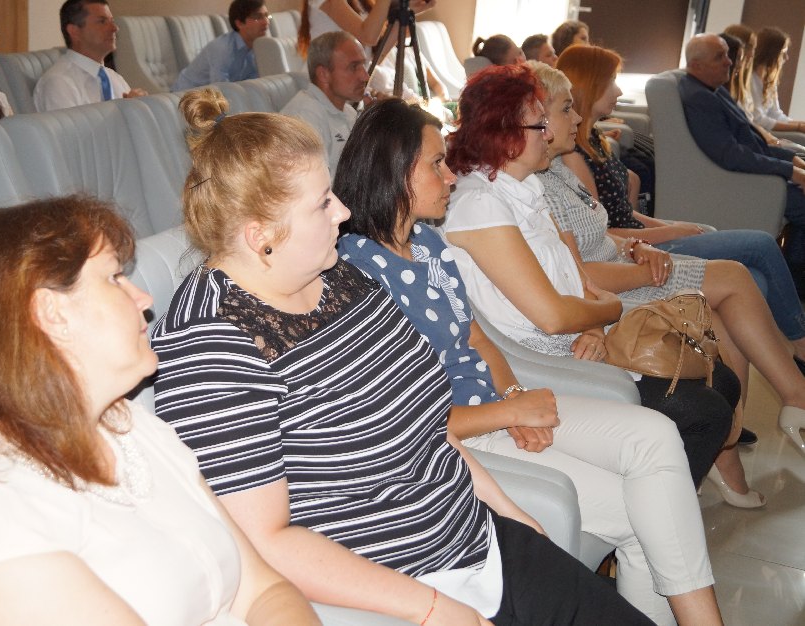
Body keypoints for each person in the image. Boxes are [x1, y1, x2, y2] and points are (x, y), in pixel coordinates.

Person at [152, 87, 653, 625]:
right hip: (398, 593)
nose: (344, 211)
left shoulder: (343, 281)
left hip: (476, 541)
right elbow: (265, 540)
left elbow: (426, 428)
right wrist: (435, 608)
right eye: (323, 203)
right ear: (261, 236)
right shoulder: (210, 345)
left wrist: (512, 516)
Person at [336, 97, 724, 624]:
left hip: (494, 408)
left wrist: (515, 396)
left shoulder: (425, 243)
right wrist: (508, 413)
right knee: (641, 517)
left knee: (655, 435)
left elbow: (476, 338)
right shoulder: (358, 275)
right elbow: (398, 420)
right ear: (395, 172)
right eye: (436, 164)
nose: (449, 177)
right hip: (454, 439)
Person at [0, 195, 320, 626]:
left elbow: (264, 590)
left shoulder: (128, 427)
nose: (143, 298)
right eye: (115, 278)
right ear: (52, 313)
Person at [531, 60, 770, 506]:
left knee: (727, 298)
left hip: (622, 267)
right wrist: (641, 263)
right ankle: (775, 406)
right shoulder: (533, 184)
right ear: (536, 117)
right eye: (567, 108)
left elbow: (600, 236)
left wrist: (640, 246)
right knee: (738, 275)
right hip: (611, 290)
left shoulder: (557, 168)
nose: (577, 116)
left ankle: (728, 446)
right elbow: (577, 274)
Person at [558, 43, 805, 360]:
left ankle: (763, 358)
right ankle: (798, 342)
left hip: (642, 240)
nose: (618, 90)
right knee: (760, 244)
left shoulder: (593, 140)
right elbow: (605, 231)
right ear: (591, 86)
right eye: (612, 82)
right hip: (635, 251)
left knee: (753, 274)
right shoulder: (573, 157)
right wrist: (669, 232)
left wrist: (670, 224)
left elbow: (624, 213)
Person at [677, 34, 805, 297]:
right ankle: (795, 284)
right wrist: (790, 171)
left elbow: (752, 144)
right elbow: (732, 156)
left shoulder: (714, 90)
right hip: (743, 183)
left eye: (727, 55)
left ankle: (795, 280)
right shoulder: (700, 98)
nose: (730, 62)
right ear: (696, 65)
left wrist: (793, 162)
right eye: (720, 57)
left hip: (755, 175)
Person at [33, 0, 146, 113]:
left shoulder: (115, 79)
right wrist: (126, 111)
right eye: (102, 21)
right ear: (74, 31)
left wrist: (141, 109)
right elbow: (73, 126)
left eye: (112, 21)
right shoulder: (59, 83)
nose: (115, 28)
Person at [281, 30, 366, 174]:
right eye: (353, 67)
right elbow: (313, 185)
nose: (365, 76)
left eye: (363, 65)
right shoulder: (305, 117)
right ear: (323, 74)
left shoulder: (348, 112)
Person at [172, 0, 268, 92]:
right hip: (185, 95)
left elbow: (254, 82)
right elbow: (220, 89)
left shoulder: (258, 47)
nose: (266, 22)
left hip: (213, 95)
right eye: (258, 17)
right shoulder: (223, 48)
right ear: (239, 23)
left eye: (266, 16)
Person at [296, 0, 435, 55]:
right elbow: (368, 37)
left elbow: (376, 57)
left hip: (353, 84)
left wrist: (406, 12)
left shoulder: (361, 2)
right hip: (328, 86)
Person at [751, 27, 805, 134]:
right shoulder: (751, 79)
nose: (786, 57)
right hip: (758, 132)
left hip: (768, 129)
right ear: (771, 53)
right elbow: (758, 119)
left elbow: (776, 115)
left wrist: (802, 124)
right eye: (783, 52)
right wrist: (798, 127)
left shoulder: (769, 80)